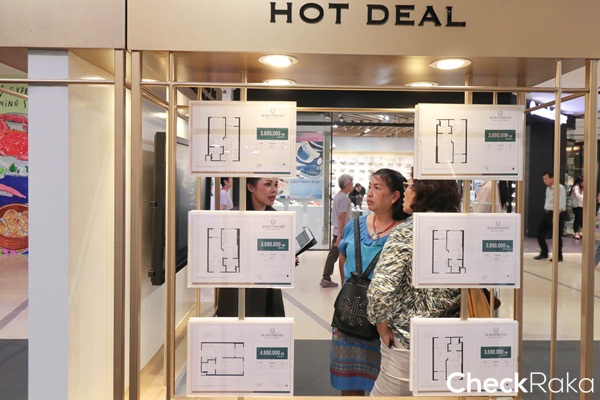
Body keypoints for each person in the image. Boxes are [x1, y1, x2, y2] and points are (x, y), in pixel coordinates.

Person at [366, 179, 462, 396]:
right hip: (453, 340)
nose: (405, 192)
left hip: (407, 340)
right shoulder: (462, 230)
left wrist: (381, 326)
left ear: (423, 192)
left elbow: (380, 290)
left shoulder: (407, 232)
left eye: (409, 186)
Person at [330, 169, 410, 396]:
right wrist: (351, 293)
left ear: (395, 196)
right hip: (350, 317)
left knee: (387, 387)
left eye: (378, 188)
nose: (370, 193)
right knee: (350, 385)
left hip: (387, 325)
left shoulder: (406, 232)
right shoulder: (355, 226)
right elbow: (343, 259)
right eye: (370, 186)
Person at [216, 177, 285, 317]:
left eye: (275, 185)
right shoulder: (234, 217)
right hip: (239, 293)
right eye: (268, 184)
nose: (274, 190)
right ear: (250, 187)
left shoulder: (275, 217)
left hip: (267, 291)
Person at [320, 174, 354, 288]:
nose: (352, 185)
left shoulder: (339, 196)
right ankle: (327, 277)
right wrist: (340, 235)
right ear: (348, 184)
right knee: (338, 254)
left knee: (334, 255)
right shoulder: (344, 198)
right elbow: (341, 216)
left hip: (339, 231)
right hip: (342, 232)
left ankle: (326, 277)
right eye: (351, 183)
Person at [534, 171, 566, 262]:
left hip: (556, 214)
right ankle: (544, 253)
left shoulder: (560, 188)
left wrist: (556, 216)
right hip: (547, 213)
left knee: (556, 236)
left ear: (552, 178)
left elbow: (561, 204)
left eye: (546, 178)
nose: (544, 180)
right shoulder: (548, 188)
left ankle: (558, 256)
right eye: (543, 179)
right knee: (540, 233)